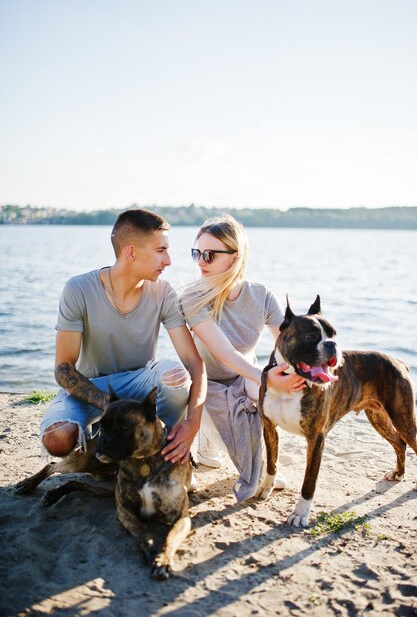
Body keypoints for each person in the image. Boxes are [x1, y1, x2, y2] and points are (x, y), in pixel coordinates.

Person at [41, 209, 206, 466]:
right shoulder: (79, 289)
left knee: (175, 377)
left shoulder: (164, 292)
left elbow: (195, 364)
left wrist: (191, 425)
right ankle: (101, 431)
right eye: (161, 250)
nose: (169, 260)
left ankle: (170, 446)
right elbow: (63, 370)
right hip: (90, 387)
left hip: (139, 381)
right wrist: (114, 408)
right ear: (131, 252)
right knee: (57, 440)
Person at [180, 214, 305, 501]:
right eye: (197, 253)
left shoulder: (260, 295)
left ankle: (262, 463)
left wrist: (295, 374)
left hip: (244, 375)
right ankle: (209, 447)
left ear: (234, 258)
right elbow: (223, 352)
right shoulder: (193, 297)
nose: (201, 261)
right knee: (255, 383)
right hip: (204, 380)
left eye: (209, 255)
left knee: (268, 391)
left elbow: (285, 346)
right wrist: (266, 377)